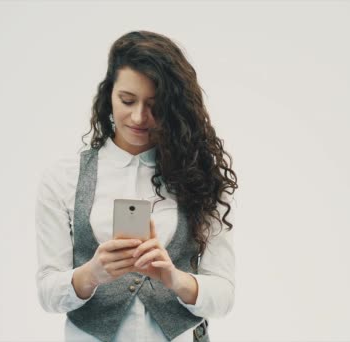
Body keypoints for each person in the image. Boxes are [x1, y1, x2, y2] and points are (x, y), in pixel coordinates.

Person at [35, 30, 238, 342]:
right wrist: (91, 274)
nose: (139, 116)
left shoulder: (200, 177)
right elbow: (48, 291)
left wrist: (175, 279)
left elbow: (224, 295)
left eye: (155, 106)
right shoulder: (63, 178)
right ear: (108, 96)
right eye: (127, 100)